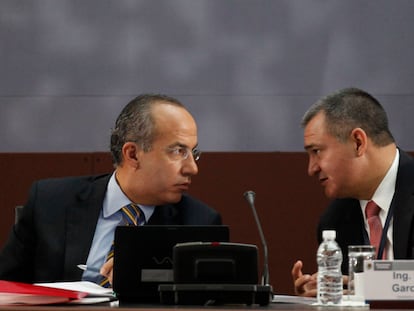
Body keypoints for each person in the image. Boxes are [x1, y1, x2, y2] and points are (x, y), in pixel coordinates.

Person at [0, 94, 222, 286]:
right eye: (177, 151)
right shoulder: (50, 202)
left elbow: (205, 302)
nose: (192, 168)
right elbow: (5, 286)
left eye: (194, 152)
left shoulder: (199, 222)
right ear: (133, 154)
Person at [291, 87, 414, 297]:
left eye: (317, 152)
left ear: (358, 142)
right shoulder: (335, 220)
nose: (311, 168)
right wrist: (322, 295)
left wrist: (370, 286)